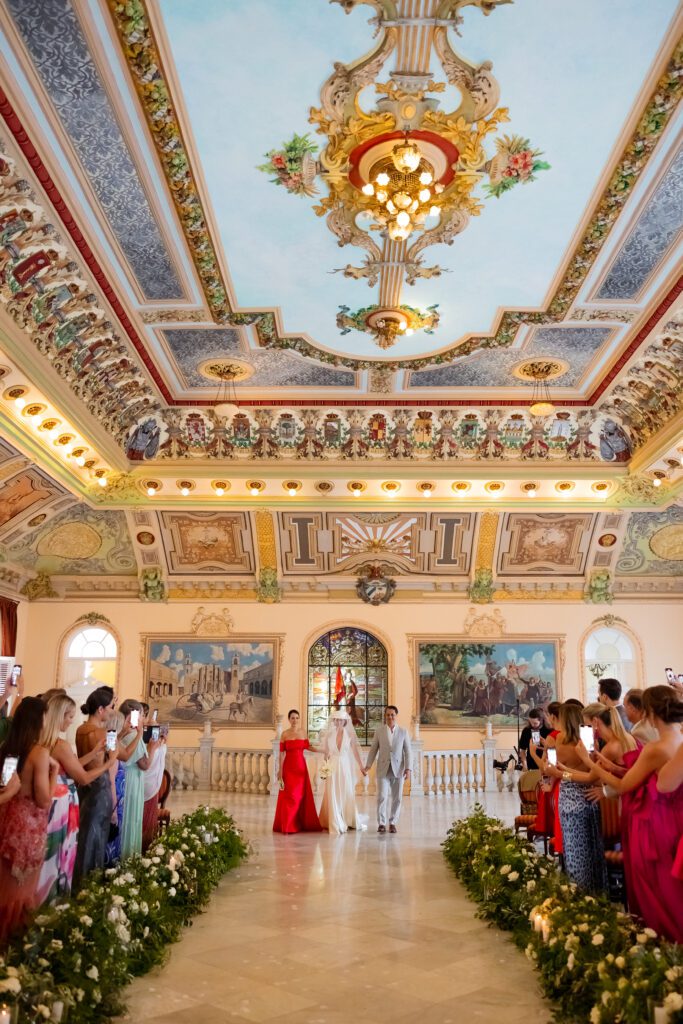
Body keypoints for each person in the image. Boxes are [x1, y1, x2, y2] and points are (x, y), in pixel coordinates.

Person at [573, 686, 683, 942]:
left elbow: (624, 787)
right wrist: (607, 764)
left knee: (652, 886)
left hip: (654, 821)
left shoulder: (656, 747)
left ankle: (661, 942)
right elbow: (645, 778)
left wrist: (588, 762)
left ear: (651, 713)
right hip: (676, 820)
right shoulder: (678, 739)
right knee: (671, 886)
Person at [36, 693, 112, 904]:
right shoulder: (60, 745)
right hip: (60, 807)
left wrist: (95, 752)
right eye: (69, 716)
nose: (72, 720)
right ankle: (56, 901)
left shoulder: (42, 741)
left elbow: (72, 764)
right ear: (59, 716)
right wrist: (107, 763)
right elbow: (83, 776)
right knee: (60, 854)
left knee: (46, 856)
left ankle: (44, 897)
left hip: (49, 804)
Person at [0, 697, 58, 942]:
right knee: (22, 891)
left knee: (5, 886)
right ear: (39, 720)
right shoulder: (40, 752)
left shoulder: (8, 748)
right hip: (28, 829)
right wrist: (54, 773)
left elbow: (4, 788)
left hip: (7, 822)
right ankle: (13, 943)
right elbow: (44, 800)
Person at [545, 702, 607, 892]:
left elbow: (550, 768)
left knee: (573, 847)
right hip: (589, 794)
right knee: (592, 845)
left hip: (570, 795)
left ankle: (578, 890)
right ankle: (597, 890)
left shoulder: (559, 740)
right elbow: (594, 768)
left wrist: (537, 754)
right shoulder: (588, 739)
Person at [73, 686, 116, 887]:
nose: (112, 711)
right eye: (111, 707)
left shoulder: (81, 729)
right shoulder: (101, 732)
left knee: (85, 836)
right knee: (97, 838)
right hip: (100, 787)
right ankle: (91, 884)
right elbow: (118, 756)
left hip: (85, 788)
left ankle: (79, 882)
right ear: (101, 710)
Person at [118, 700, 159, 860]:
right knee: (131, 819)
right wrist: (153, 747)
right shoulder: (134, 735)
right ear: (133, 716)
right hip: (132, 782)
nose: (143, 718)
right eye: (141, 714)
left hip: (122, 779)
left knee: (125, 819)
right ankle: (128, 859)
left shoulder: (119, 732)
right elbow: (145, 764)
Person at [318, 709, 368, 835]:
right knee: (333, 792)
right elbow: (326, 753)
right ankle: (334, 820)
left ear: (345, 721)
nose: (339, 722)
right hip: (332, 766)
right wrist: (324, 768)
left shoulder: (349, 735)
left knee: (345, 791)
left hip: (344, 766)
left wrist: (361, 766)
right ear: (334, 721)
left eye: (341, 720)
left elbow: (355, 752)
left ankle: (346, 818)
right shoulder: (329, 735)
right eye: (336, 719)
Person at [273, 709, 322, 835]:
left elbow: (308, 746)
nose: (295, 720)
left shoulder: (303, 732)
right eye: (292, 718)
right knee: (290, 797)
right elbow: (281, 754)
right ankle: (287, 826)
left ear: (299, 719)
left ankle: (295, 823)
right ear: (289, 720)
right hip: (288, 769)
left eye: (297, 718)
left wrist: (322, 751)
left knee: (299, 796)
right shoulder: (284, 734)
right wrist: (279, 770)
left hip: (300, 768)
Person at [365, 705, 411, 834]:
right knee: (382, 797)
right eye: (388, 715)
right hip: (383, 769)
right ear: (385, 717)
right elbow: (373, 749)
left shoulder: (403, 732)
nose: (390, 717)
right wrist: (368, 766)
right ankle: (381, 823)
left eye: (392, 715)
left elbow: (408, 751)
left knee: (398, 798)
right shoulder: (379, 731)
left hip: (398, 770)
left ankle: (392, 822)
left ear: (396, 716)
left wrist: (408, 769)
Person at [141, 728, 167, 852]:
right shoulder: (143, 745)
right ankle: (143, 847)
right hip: (142, 785)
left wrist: (161, 745)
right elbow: (146, 765)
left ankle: (148, 845)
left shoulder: (153, 746)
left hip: (150, 786)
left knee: (149, 821)